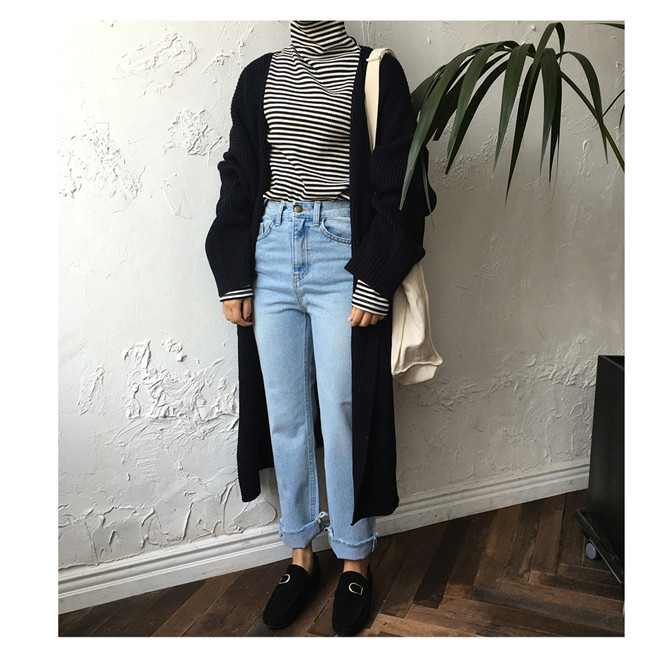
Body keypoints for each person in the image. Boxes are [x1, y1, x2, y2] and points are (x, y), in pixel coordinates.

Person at [205, 20, 437, 636]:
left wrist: (376, 276)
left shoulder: (377, 70)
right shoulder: (258, 76)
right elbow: (238, 175)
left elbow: (405, 179)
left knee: (344, 409)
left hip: (343, 255)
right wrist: (234, 273)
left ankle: (355, 558)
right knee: (285, 413)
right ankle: (300, 553)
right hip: (271, 251)